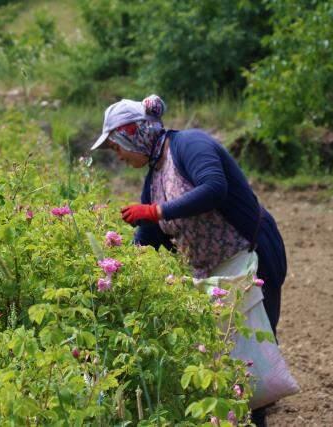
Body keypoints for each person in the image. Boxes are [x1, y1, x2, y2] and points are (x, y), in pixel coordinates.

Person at [91, 95, 287, 427]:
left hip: (252, 255)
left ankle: (257, 418)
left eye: (117, 147)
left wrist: (156, 211)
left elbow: (214, 188)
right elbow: (149, 236)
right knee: (224, 355)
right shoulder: (154, 177)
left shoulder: (190, 145)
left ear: (132, 133)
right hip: (218, 271)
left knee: (249, 354)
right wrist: (123, 265)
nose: (119, 156)